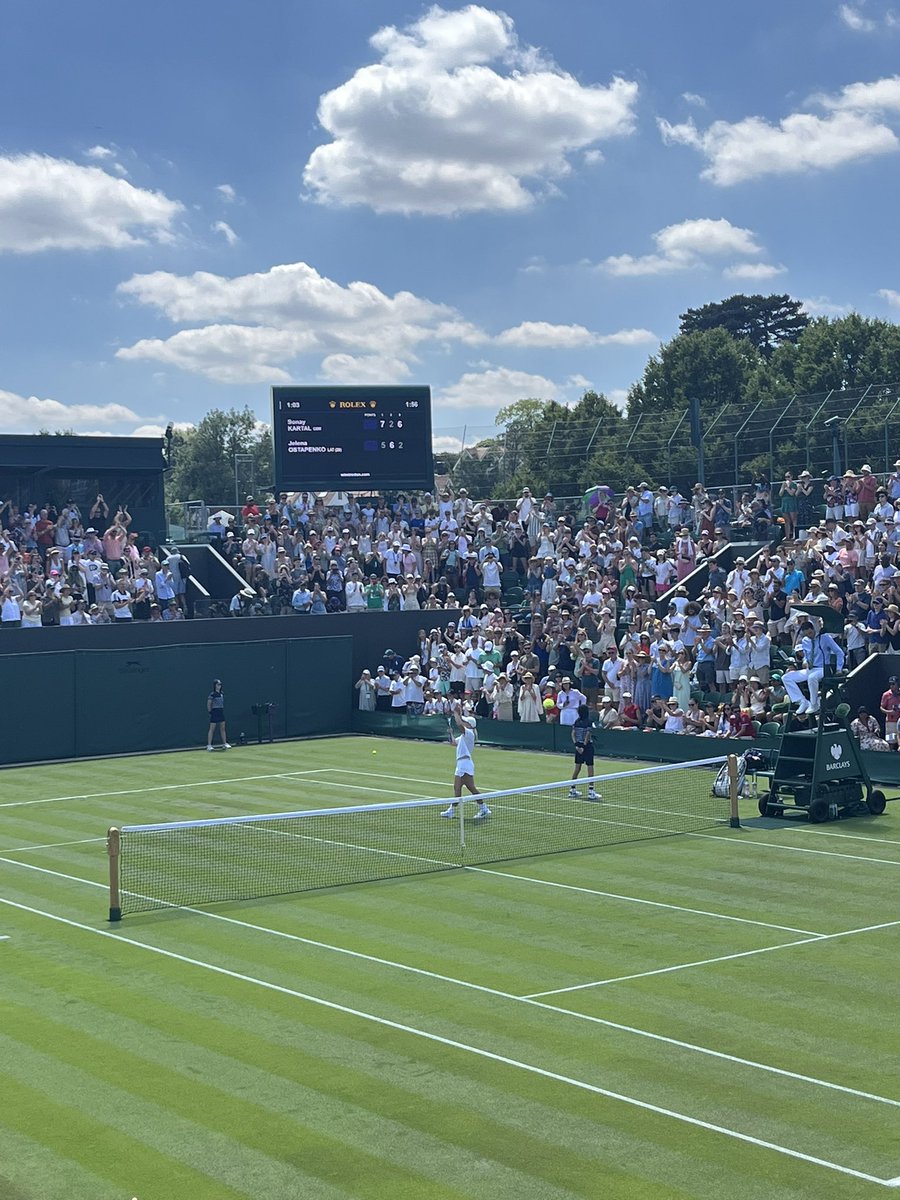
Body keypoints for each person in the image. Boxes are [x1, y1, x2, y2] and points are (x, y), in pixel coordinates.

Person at [783, 620, 846, 715]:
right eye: (806, 634)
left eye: (810, 633)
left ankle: (814, 704)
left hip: (823, 668)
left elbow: (839, 652)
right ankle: (802, 701)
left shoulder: (825, 638)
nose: (809, 635)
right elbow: (806, 655)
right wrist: (805, 661)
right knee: (786, 677)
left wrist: (839, 669)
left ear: (813, 629)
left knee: (812, 678)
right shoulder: (805, 640)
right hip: (811, 669)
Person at [441, 705, 491, 820]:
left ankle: (482, 809)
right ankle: (482, 808)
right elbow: (453, 743)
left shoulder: (469, 734)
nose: (464, 723)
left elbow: (459, 724)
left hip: (464, 765)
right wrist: (450, 733)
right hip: (461, 764)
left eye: (466, 722)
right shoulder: (464, 736)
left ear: (470, 725)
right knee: (461, 788)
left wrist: (456, 713)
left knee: (465, 788)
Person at [569, 704, 601, 799]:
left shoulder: (576, 722)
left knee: (577, 768)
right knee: (590, 768)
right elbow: (587, 735)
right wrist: (583, 746)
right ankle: (591, 792)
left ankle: (572, 789)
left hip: (578, 747)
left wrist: (577, 746)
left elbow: (573, 734)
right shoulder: (588, 722)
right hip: (587, 747)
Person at [206, 679, 230, 750]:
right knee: (212, 729)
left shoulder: (222, 694)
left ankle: (224, 743)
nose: (219, 686)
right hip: (214, 712)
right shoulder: (212, 694)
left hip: (220, 711)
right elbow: (209, 703)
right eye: (218, 684)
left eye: (220, 684)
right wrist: (210, 711)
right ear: (215, 685)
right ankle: (209, 745)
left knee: (222, 728)